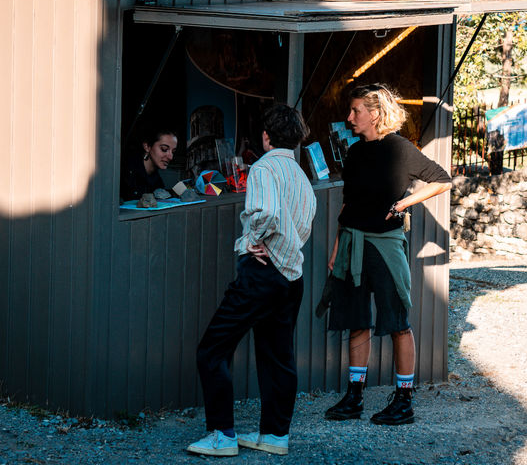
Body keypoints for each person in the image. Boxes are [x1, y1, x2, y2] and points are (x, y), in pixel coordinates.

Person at [186, 104, 316, 458]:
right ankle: (275, 436)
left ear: (265, 137)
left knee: (212, 350)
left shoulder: (263, 169)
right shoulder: (303, 178)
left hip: (262, 273)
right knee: (278, 357)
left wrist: (251, 240)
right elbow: (302, 226)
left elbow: (267, 212)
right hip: (292, 275)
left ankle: (222, 435)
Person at [323, 84, 452, 426]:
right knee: (357, 320)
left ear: (375, 114)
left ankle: (404, 401)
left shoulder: (400, 149)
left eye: (356, 112)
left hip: (385, 245)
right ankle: (354, 396)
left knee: (396, 322)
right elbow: (347, 205)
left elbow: (442, 180)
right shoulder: (353, 154)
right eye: (350, 112)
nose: (350, 118)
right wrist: (337, 248)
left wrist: (401, 205)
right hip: (353, 243)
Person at [120, 124, 177, 201]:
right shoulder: (124, 172)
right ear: (147, 146)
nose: (170, 157)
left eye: (173, 152)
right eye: (164, 149)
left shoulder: (157, 181)